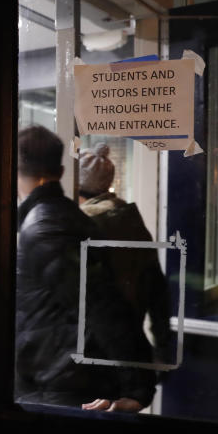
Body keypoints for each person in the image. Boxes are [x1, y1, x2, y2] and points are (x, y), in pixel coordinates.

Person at [15, 126, 154, 412]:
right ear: (62, 170)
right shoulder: (65, 217)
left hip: (58, 383)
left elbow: (100, 304)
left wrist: (138, 386)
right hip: (60, 375)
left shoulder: (46, 227)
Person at [77, 143, 173, 365]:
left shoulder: (85, 224)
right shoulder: (131, 221)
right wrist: (162, 344)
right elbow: (157, 289)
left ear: (76, 187)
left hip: (91, 348)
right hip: (128, 346)